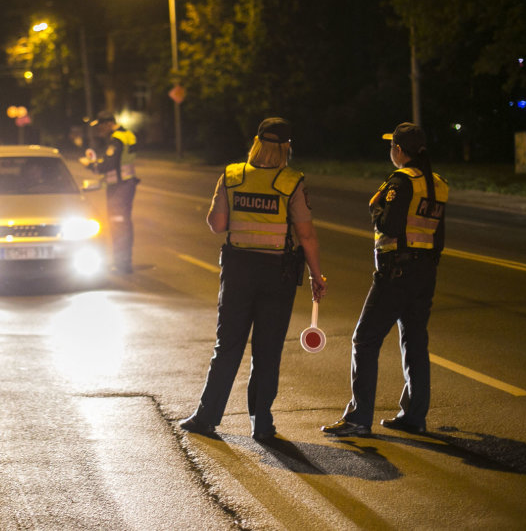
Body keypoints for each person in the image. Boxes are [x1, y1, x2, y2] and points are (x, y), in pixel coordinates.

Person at [179, 117, 327, 444]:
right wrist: (317, 275)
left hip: (238, 270)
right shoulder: (291, 182)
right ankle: (261, 423)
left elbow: (217, 225)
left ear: (256, 143)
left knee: (228, 345)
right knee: (267, 349)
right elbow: (306, 235)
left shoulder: (232, 176)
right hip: (278, 273)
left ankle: (206, 417)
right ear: (286, 147)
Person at [321, 122, 448, 437]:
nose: (391, 150)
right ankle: (414, 416)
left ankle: (358, 418)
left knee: (364, 341)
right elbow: (439, 236)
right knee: (415, 341)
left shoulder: (401, 182)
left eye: (392, 146)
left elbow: (390, 225)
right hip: (424, 272)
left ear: (399, 151)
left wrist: (376, 211)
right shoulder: (437, 184)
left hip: (396, 271)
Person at [80, 111, 139, 273]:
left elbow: (109, 164)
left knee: (118, 224)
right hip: (125, 185)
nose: (98, 130)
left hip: (120, 188)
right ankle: (123, 261)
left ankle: (122, 264)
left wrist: (91, 165)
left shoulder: (117, 140)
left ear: (107, 124)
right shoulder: (126, 134)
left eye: (99, 126)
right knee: (123, 224)